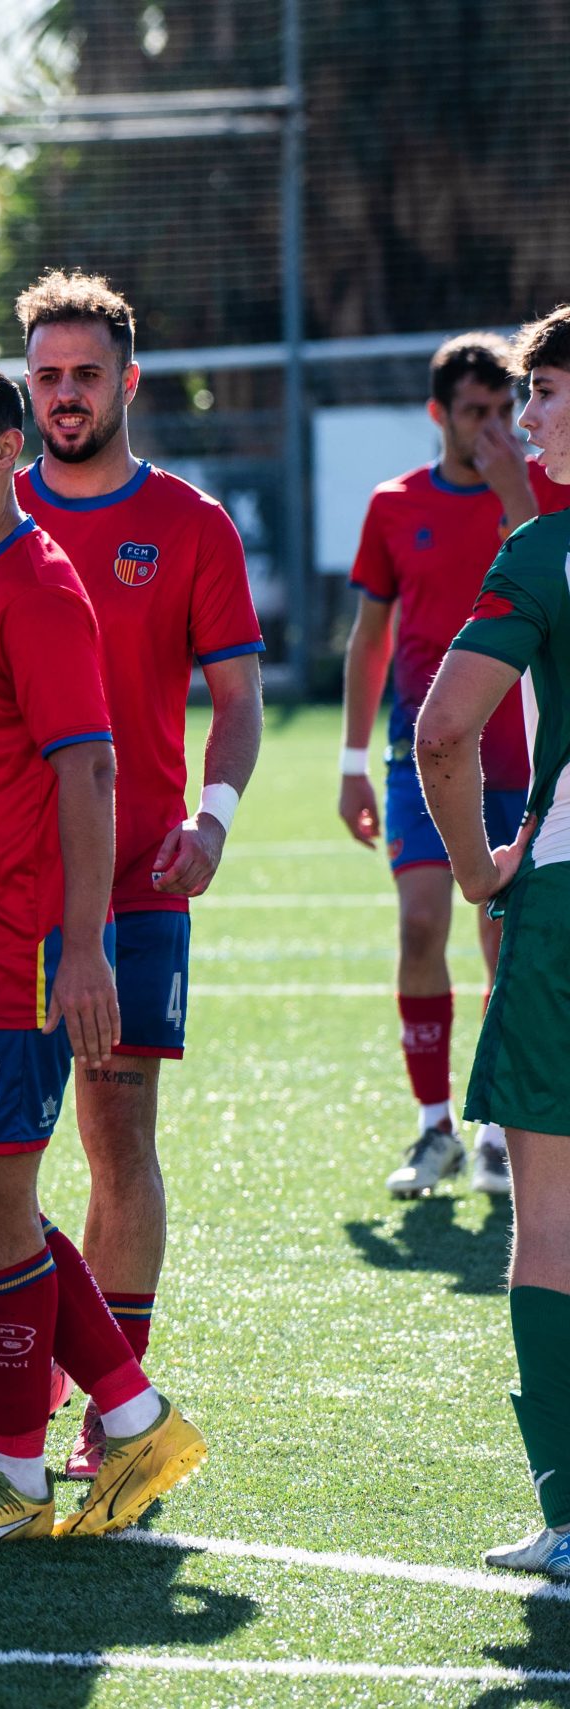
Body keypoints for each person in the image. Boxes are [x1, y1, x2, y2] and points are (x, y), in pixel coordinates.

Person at [0, 359, 204, 1545]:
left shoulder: (33, 584)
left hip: (10, 950)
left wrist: (80, 950)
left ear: (4, 449)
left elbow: (91, 768)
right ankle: (116, 1414)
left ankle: (27, 1467)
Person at [12, 272, 266, 1478]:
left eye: (84, 375)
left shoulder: (192, 524)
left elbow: (239, 701)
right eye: (46, 374)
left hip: (135, 877)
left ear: (128, 382)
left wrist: (213, 821)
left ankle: (104, 1412)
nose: (64, 395)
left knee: (117, 1144)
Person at [341, 333, 570, 1200]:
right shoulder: (395, 503)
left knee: (503, 945)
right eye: (474, 411)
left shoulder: (543, 491)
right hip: (422, 755)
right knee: (420, 925)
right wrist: (347, 762)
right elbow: (369, 640)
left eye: (507, 406)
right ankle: (434, 1122)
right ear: (438, 414)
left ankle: (492, 1134)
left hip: (528, 764)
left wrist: (517, 488)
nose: (496, 426)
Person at [415, 303, 570, 1581]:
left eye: (547, 396)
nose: (524, 421)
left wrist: (478, 869)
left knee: (552, 1211)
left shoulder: (543, 553)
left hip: (565, 906)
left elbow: (443, 730)